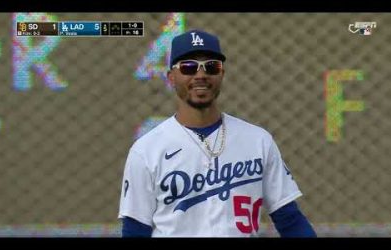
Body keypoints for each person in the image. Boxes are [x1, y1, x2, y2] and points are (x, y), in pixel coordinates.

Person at [118, 29, 317, 237]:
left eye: (211, 66)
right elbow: (135, 229)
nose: (201, 75)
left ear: (221, 73)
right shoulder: (146, 150)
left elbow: (290, 220)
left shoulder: (258, 140)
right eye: (188, 67)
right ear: (171, 78)